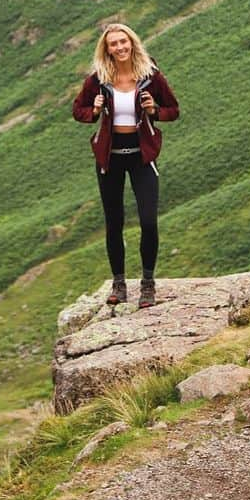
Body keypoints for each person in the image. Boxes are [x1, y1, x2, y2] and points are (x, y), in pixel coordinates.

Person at [72, 22, 179, 308]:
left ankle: (147, 283)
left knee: (148, 221)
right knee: (114, 223)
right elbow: (78, 110)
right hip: (110, 157)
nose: (119, 47)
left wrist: (154, 110)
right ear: (106, 49)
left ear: (132, 42)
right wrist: (93, 110)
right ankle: (119, 284)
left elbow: (173, 110)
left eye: (123, 41)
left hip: (141, 156)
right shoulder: (98, 79)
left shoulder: (150, 75)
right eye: (113, 44)